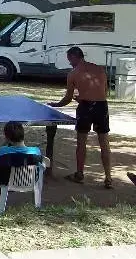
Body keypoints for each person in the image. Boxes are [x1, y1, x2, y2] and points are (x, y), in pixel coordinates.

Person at [48, 46, 113, 188]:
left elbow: (67, 98)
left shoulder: (73, 73)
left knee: (81, 141)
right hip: (102, 106)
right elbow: (104, 92)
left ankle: (79, 174)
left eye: (69, 59)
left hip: (85, 108)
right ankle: (108, 177)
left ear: (74, 57)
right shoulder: (99, 69)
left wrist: (56, 104)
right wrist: (87, 97)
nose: (69, 63)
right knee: (104, 142)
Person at [0, 121, 43, 210]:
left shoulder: (2, 152)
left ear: (6, 137)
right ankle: (37, 205)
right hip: (30, 181)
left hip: (6, 182)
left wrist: (5, 144)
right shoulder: (36, 151)